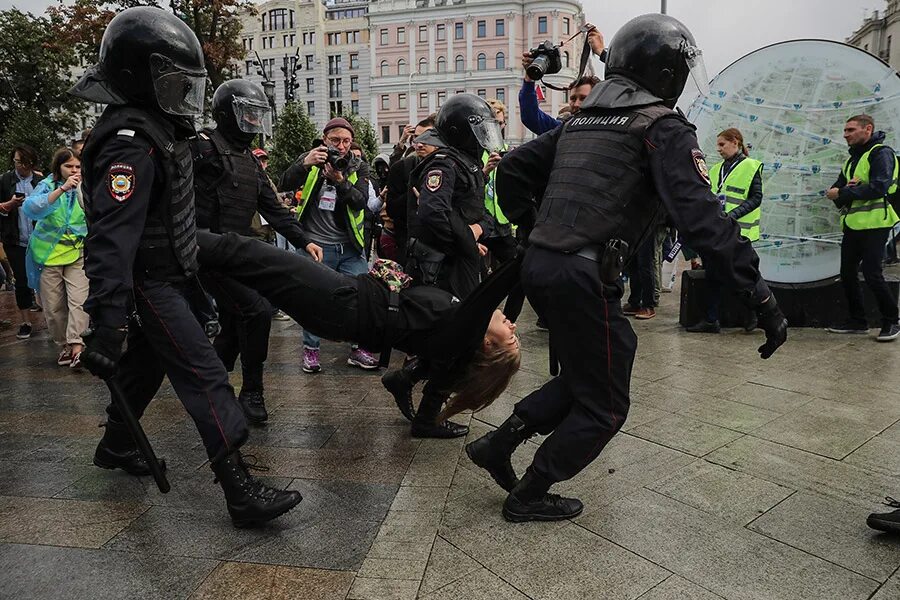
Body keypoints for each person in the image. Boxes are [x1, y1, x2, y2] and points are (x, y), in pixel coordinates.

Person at [467, 13, 788, 523]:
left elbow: (512, 170)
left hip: (544, 268)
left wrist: (539, 231)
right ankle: (530, 491)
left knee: (596, 368)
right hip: (581, 275)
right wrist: (761, 297)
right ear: (667, 73)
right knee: (608, 405)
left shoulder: (583, 121)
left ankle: (500, 443)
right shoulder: (660, 126)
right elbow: (704, 220)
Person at [71, 6, 301, 528]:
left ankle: (115, 444)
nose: (183, 94)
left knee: (148, 365)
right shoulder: (129, 143)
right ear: (138, 77)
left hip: (169, 274)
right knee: (204, 373)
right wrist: (106, 321)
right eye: (171, 81)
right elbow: (112, 236)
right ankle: (239, 489)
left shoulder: (156, 130)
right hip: (151, 281)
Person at [196, 229, 521, 425]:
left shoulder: (463, 335)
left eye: (512, 338)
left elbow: (494, 288)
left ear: (489, 346)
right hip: (343, 302)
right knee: (243, 269)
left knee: (246, 251)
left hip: (340, 304)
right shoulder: (458, 334)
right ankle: (183, 260)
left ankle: (169, 240)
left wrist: (533, 251)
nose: (513, 324)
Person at [192, 78, 323, 424]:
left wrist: (303, 239)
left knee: (237, 322)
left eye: (256, 115)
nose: (252, 122)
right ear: (227, 114)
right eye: (247, 114)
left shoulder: (250, 159)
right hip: (206, 252)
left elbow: (274, 208)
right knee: (256, 309)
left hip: (238, 252)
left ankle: (213, 388)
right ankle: (252, 391)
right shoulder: (201, 148)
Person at [278, 117, 379, 373]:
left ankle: (359, 349)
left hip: (349, 249)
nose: (342, 146)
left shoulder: (358, 166)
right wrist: (304, 164)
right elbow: (283, 183)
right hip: (315, 247)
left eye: (346, 141)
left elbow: (359, 203)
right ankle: (311, 351)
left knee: (363, 298)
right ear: (325, 139)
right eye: (335, 140)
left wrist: (339, 180)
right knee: (312, 300)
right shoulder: (312, 158)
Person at [825, 114, 900, 341]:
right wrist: (836, 193)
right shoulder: (851, 160)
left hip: (876, 224)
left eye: (850, 130)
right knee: (847, 274)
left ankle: (891, 321)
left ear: (868, 129)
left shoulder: (881, 153)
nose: (845, 134)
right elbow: (838, 189)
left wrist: (844, 192)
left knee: (872, 273)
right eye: (845, 130)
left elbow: (879, 187)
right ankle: (858, 321)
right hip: (853, 225)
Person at [686, 127, 763, 333]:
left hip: (740, 234)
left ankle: (752, 316)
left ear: (735, 142)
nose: (718, 149)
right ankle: (711, 320)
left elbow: (756, 198)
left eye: (722, 144)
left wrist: (733, 215)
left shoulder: (751, 166)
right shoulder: (715, 169)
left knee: (742, 277)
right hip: (717, 232)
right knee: (712, 276)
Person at [21, 147, 90, 368]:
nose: (73, 171)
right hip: (48, 256)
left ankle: (78, 347)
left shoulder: (86, 186)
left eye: (77, 166)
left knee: (79, 301)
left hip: (77, 254)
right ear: (58, 168)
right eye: (68, 166)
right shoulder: (48, 185)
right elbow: (31, 208)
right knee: (53, 308)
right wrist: (61, 191)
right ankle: (65, 346)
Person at [482, 98, 525, 322]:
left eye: (500, 123)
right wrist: (484, 170)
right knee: (478, 281)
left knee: (520, 274)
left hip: (503, 224)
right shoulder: (471, 150)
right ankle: (479, 322)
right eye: (493, 123)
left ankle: (507, 321)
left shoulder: (508, 151)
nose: (497, 127)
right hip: (478, 225)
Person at [518, 24, 604, 136]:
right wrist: (530, 77)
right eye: (573, 98)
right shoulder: (563, 129)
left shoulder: (608, 128)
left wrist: (602, 53)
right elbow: (531, 117)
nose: (576, 104)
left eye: (583, 98)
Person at [0, 145, 40, 339]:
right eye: (18, 162)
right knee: (22, 281)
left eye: (26, 162)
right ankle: (25, 321)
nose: (22, 166)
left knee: (47, 281)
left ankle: (53, 318)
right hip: (15, 240)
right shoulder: (5, 180)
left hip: (41, 240)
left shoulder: (42, 181)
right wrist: (9, 205)